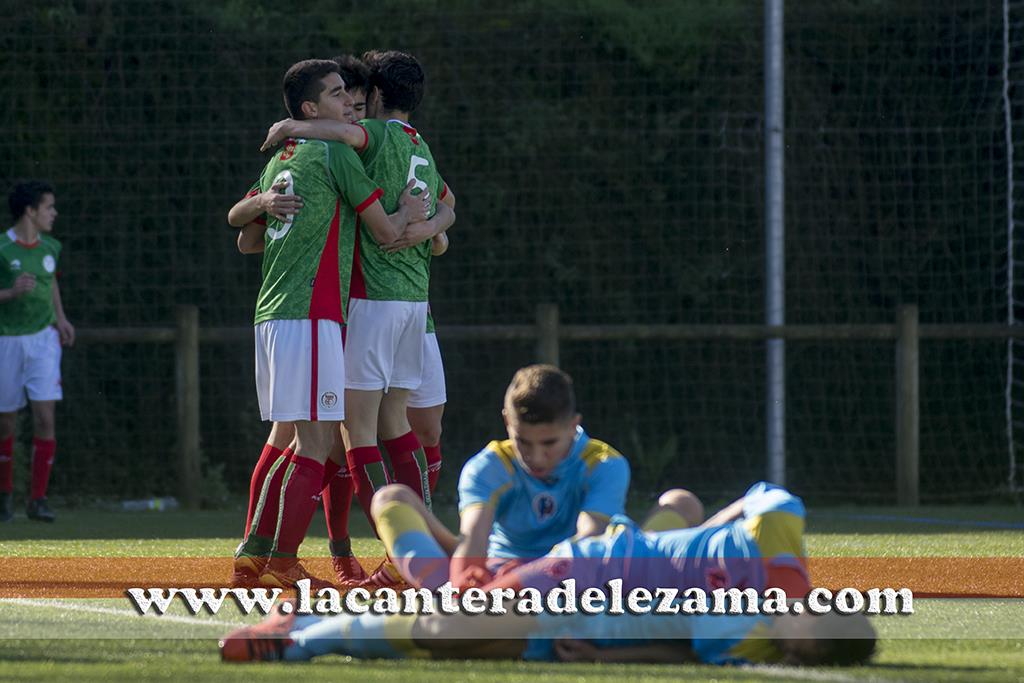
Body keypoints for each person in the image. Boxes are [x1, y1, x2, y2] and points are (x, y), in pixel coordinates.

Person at [219, 482, 876, 667]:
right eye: (809, 628)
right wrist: (710, 532)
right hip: (576, 571)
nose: (792, 640)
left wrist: (598, 654)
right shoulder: (782, 553)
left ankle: (309, 627)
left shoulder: (755, 640)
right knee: (449, 617)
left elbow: (682, 649)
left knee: (456, 635)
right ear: (823, 604)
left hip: (588, 623)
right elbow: (773, 500)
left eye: (800, 649)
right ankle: (304, 631)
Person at [226, 58, 454, 590]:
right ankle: (297, 556)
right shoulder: (368, 148)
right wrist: (420, 227)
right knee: (331, 435)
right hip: (346, 308)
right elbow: (408, 221)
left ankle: (269, 555)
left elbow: (245, 234)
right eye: (338, 94)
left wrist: (272, 176)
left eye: (354, 94)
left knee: (312, 435)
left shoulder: (303, 150)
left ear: (373, 98)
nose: (350, 103)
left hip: (325, 308)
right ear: (315, 107)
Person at [0, 180, 74, 523]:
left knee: (45, 419)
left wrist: (60, 318)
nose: (54, 213)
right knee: (6, 422)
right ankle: (5, 497)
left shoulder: (50, 247)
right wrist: (10, 293)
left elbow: (51, 282)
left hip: (44, 341)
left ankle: (38, 500)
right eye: (49, 207)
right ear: (30, 211)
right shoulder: (2, 248)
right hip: (7, 340)